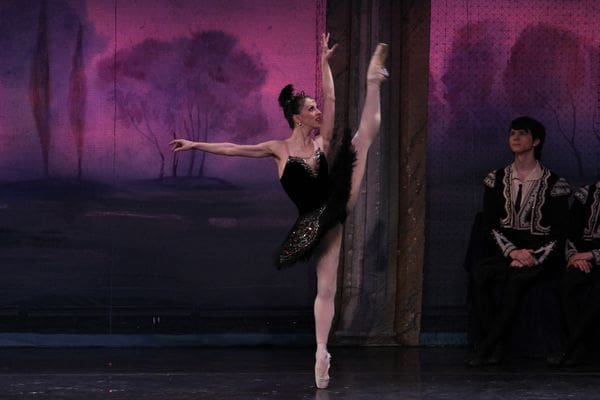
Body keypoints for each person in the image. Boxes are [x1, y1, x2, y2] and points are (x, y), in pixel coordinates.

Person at [170, 34, 388, 388]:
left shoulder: (322, 142)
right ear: (298, 117)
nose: (318, 111)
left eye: (317, 108)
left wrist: (324, 63)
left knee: (362, 139)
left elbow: (332, 98)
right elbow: (233, 148)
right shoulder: (278, 149)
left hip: (334, 200)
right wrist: (196, 144)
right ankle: (321, 352)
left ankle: (373, 81)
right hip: (312, 222)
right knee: (326, 288)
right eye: (312, 109)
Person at [467, 116, 570, 366]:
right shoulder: (496, 179)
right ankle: (496, 344)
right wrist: (513, 252)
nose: (515, 137)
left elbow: (559, 232)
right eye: (512, 133)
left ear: (536, 141)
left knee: (517, 281)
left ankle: (490, 345)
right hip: (508, 252)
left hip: (540, 255)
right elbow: (490, 224)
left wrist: (531, 256)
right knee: (479, 275)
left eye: (522, 133)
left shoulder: (555, 184)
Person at [546, 181, 600, 366]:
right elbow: (570, 233)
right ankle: (578, 348)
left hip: (592, 256)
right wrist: (575, 257)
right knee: (567, 282)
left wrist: (592, 255)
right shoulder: (586, 194)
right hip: (583, 258)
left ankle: (569, 347)